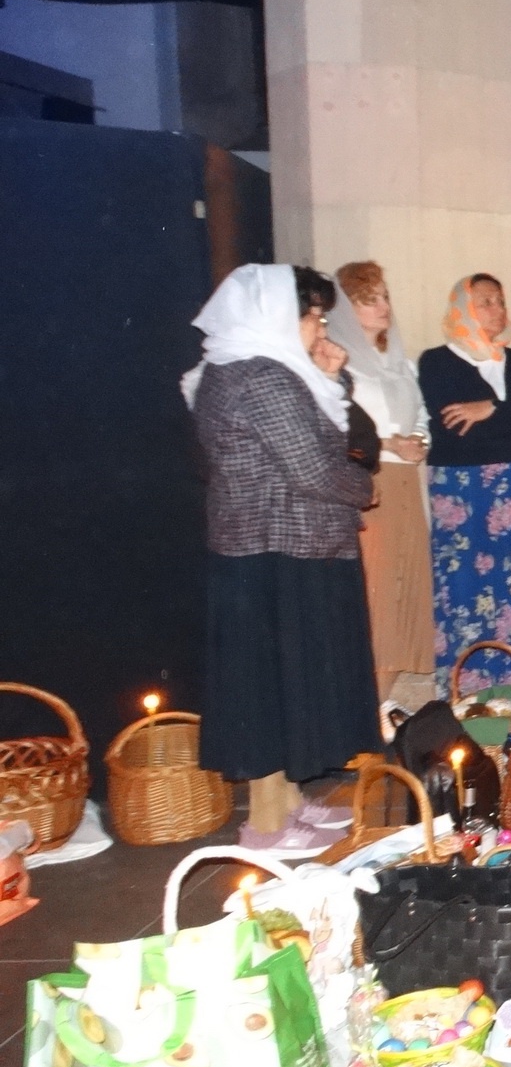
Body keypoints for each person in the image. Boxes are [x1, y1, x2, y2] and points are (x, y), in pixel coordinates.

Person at [184, 263, 381, 854]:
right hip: (276, 550)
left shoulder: (242, 367)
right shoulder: (260, 376)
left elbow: (330, 438)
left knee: (281, 684)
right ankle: (267, 825)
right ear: (273, 315)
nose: (321, 327)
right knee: (271, 687)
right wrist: (363, 488)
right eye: (313, 315)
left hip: (277, 547)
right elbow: (316, 467)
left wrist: (330, 378)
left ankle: (289, 803)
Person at [418, 274, 511, 696]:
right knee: (467, 590)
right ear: (463, 308)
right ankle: (472, 695)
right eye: (485, 302)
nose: (498, 309)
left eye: (500, 301)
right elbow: (452, 430)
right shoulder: (437, 362)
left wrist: (490, 409)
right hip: (464, 493)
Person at [324, 262, 434, 702]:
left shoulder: (401, 363)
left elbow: (421, 413)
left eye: (384, 296)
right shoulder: (338, 363)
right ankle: (370, 699)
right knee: (380, 588)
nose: (383, 306)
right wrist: (391, 443)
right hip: (371, 479)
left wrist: (419, 440)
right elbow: (338, 428)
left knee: (408, 584)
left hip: (406, 480)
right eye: (370, 300)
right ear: (346, 309)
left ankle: (394, 702)